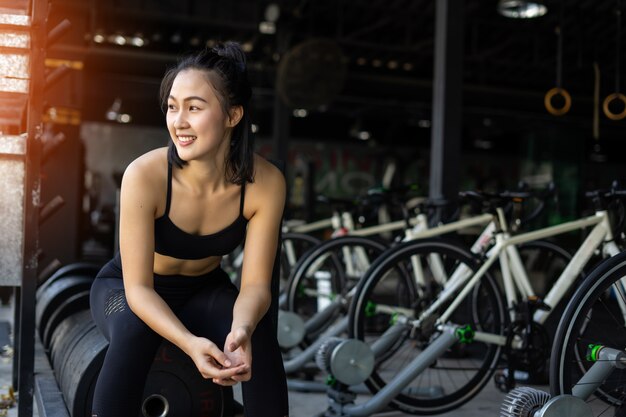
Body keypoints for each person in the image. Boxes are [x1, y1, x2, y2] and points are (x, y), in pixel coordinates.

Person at [89, 41, 289, 417]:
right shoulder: (145, 175)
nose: (178, 121)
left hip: (204, 289)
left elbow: (257, 286)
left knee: (257, 333)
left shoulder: (265, 183)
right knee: (135, 329)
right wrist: (189, 344)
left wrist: (241, 329)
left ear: (232, 116)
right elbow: (139, 289)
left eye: (194, 108)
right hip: (128, 289)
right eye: (172, 106)